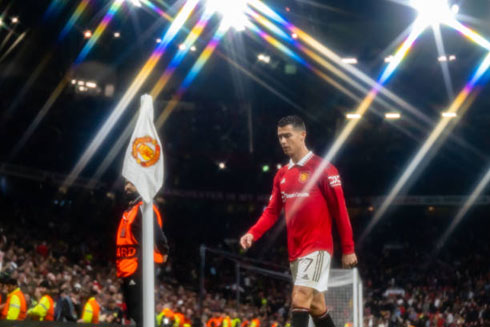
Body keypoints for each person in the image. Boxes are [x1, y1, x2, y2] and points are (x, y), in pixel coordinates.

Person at [240, 116, 358, 327]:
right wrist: (253, 233)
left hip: (317, 246)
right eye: (280, 137)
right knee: (316, 306)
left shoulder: (324, 169)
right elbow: (272, 211)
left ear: (302, 135)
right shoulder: (281, 175)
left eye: (287, 136)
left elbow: (340, 211)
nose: (283, 141)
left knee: (300, 297)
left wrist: (348, 248)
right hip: (296, 250)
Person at [116, 180, 169, 327]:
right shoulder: (130, 209)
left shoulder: (144, 207)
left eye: (131, 183)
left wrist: (164, 249)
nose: (126, 187)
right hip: (127, 268)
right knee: (134, 313)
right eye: (125, 183)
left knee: (140, 314)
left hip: (138, 267)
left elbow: (156, 231)